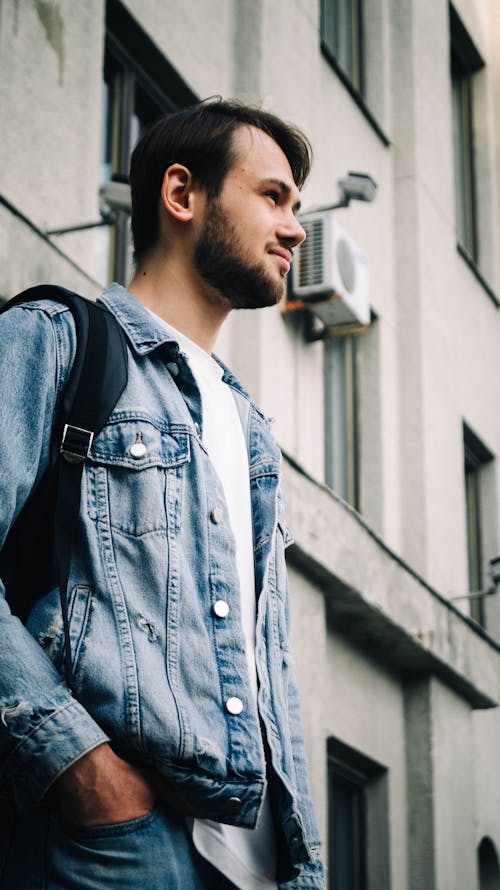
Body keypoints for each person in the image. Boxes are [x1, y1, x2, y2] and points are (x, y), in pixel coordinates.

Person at [0, 99, 325, 889]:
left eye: (298, 207)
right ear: (182, 196)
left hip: (261, 862)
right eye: (273, 197)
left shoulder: (248, 427)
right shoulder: (55, 340)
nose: (297, 229)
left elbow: (262, 667)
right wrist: (77, 762)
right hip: (112, 847)